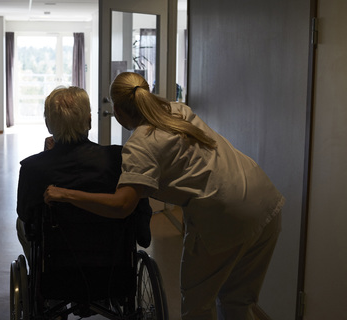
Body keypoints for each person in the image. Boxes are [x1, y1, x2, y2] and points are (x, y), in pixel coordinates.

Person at [44, 72, 285, 320]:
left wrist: (66, 193)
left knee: (197, 306)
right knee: (239, 301)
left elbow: (122, 205)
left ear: (116, 109)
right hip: (263, 197)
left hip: (223, 214)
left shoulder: (140, 145)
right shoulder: (177, 110)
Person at [16, 85, 152, 261]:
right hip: (113, 263)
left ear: (49, 125)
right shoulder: (119, 158)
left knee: (21, 224)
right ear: (89, 121)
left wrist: (46, 157)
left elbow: (26, 215)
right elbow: (140, 209)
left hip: (56, 263)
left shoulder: (31, 168)